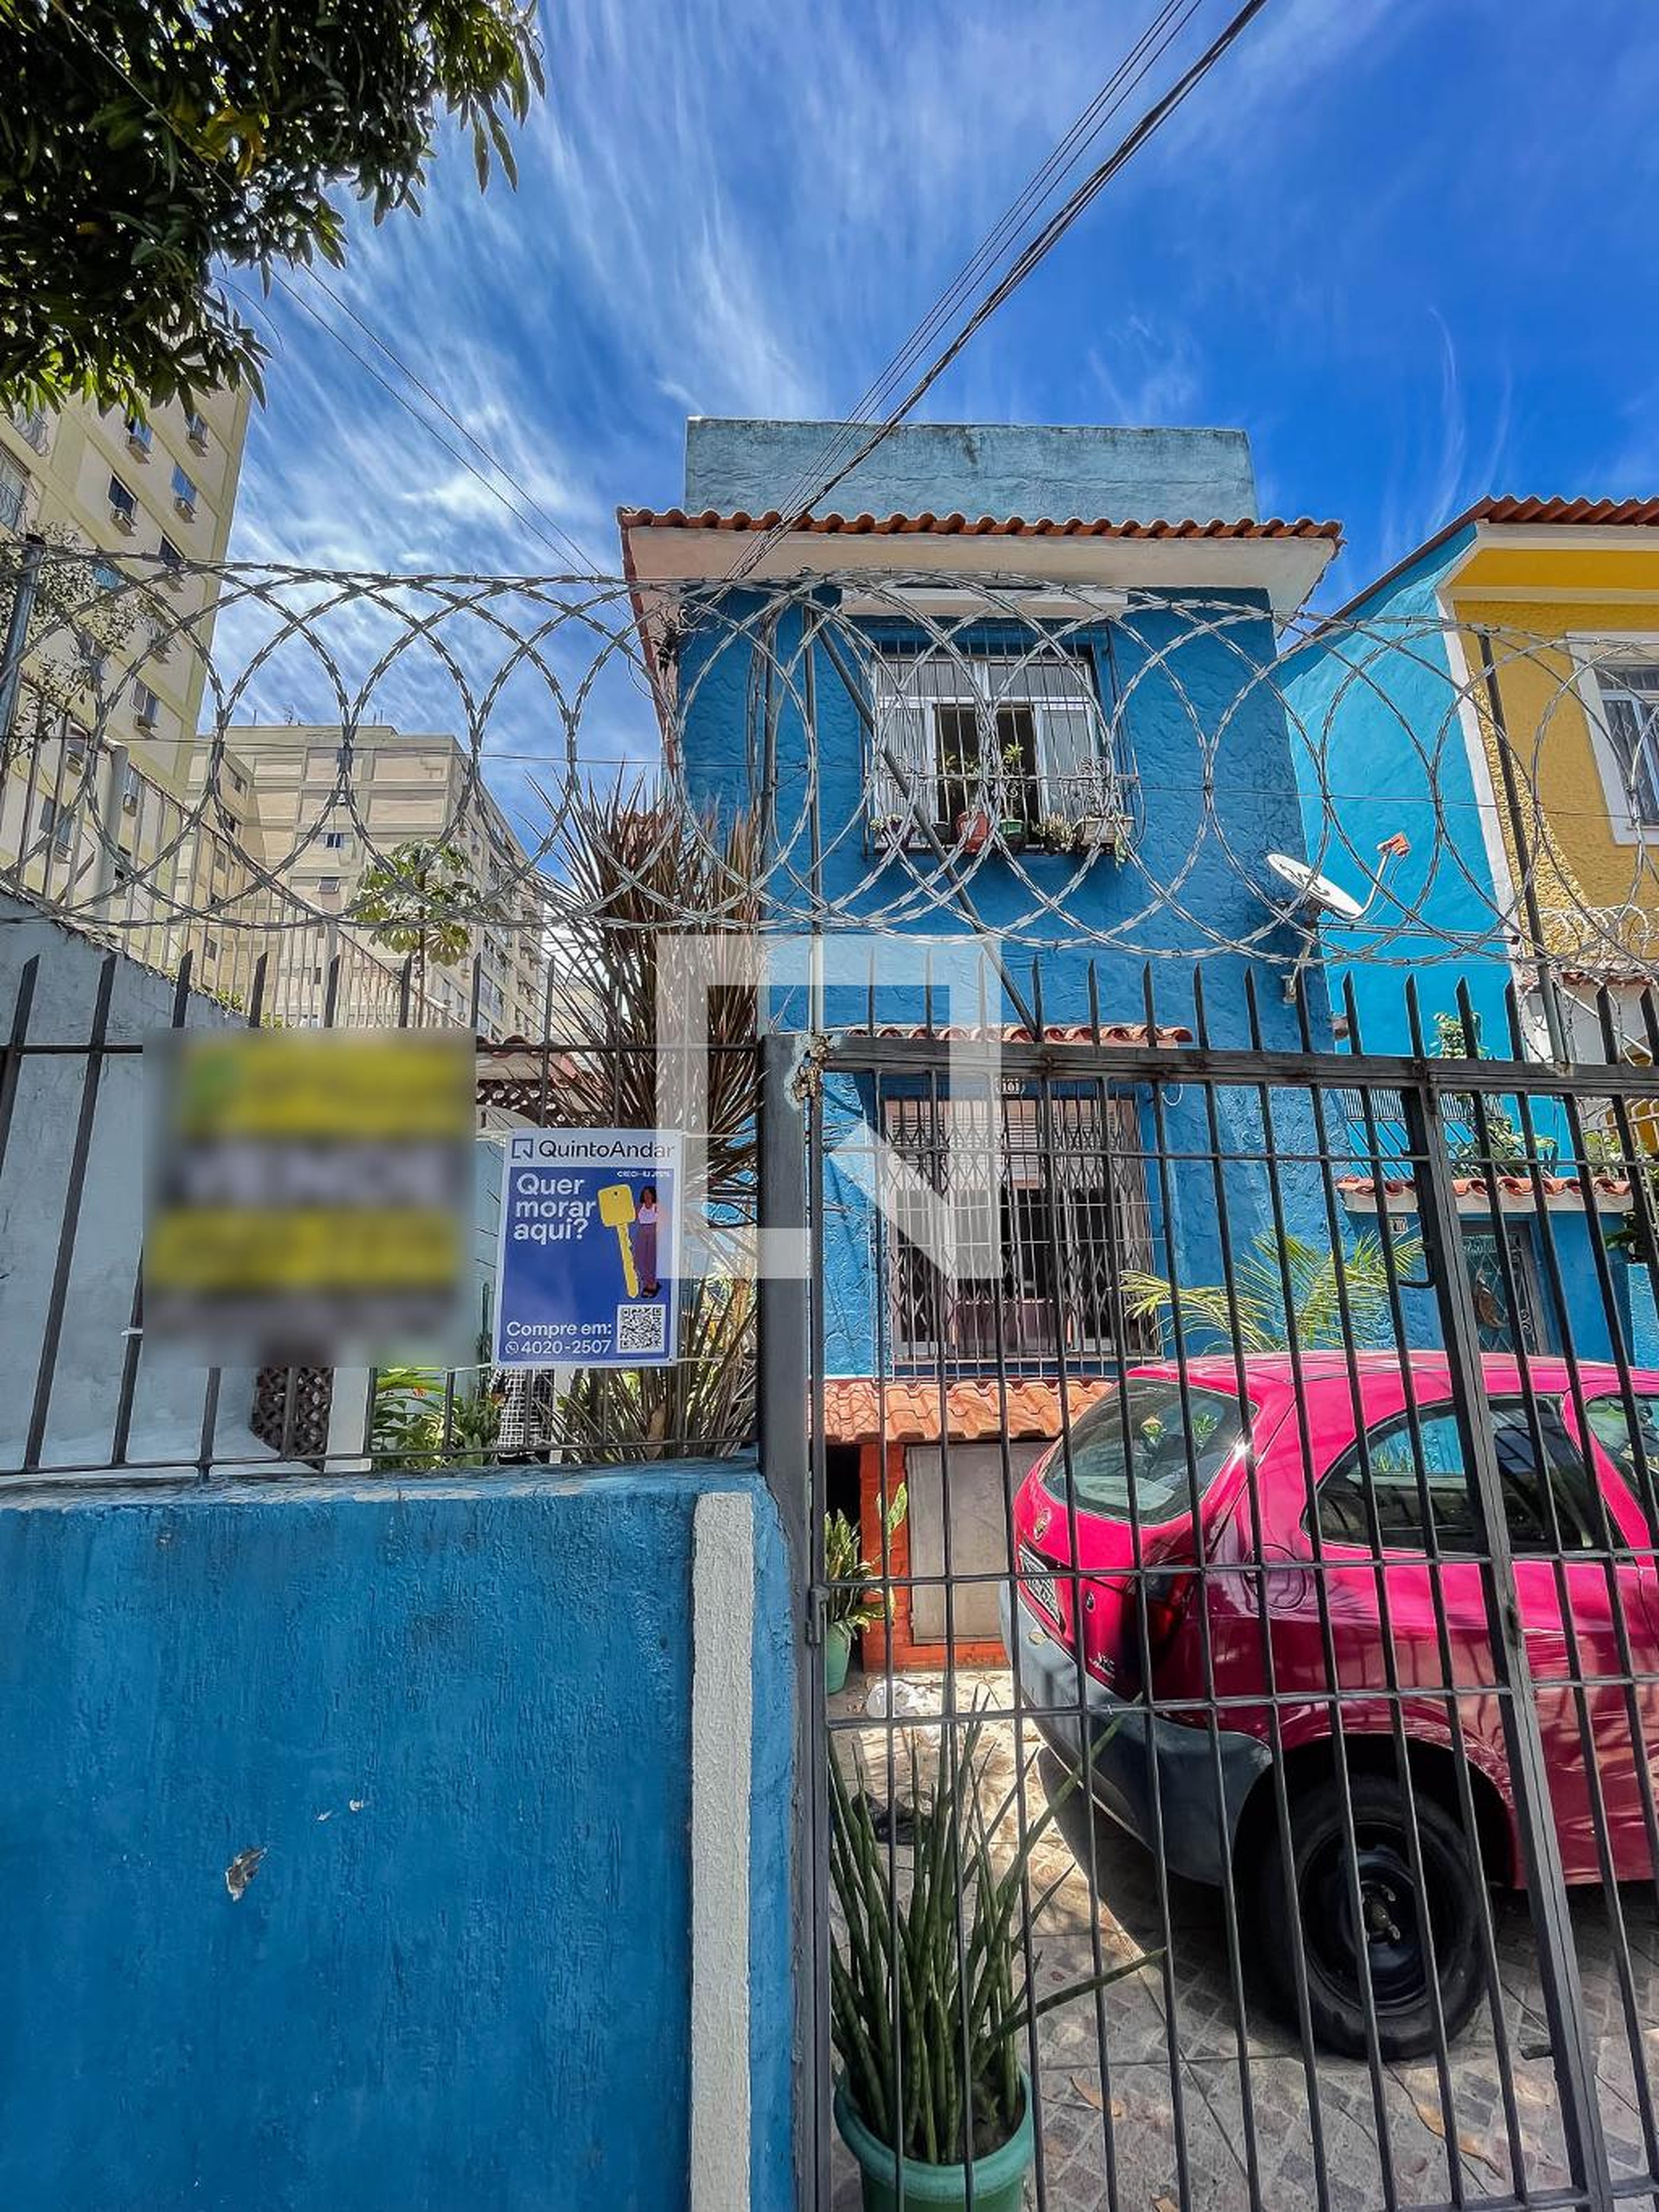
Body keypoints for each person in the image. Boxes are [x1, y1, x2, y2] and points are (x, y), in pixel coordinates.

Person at [634, 1185, 660, 1298]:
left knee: (651, 1260)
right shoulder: (640, 1207)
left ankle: (651, 1285)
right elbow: (632, 1217)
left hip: (654, 1233)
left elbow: (665, 1221)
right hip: (642, 1232)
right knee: (639, 1260)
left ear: (653, 1195)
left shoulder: (657, 1207)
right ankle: (647, 1283)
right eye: (645, 1194)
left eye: (649, 1194)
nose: (647, 1196)